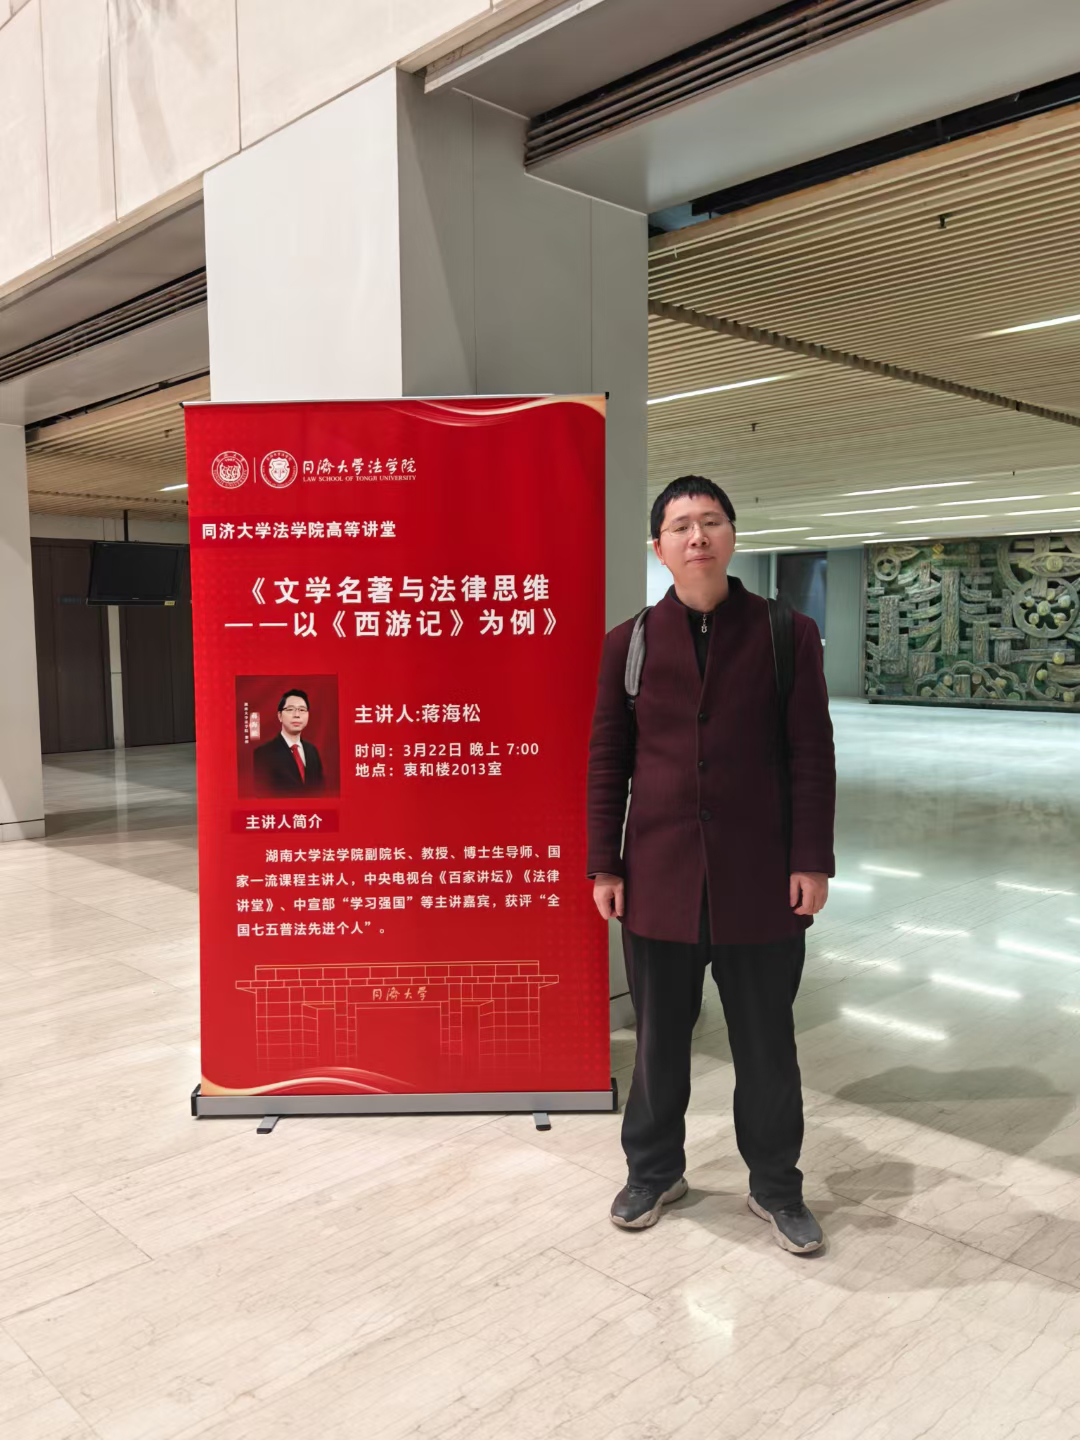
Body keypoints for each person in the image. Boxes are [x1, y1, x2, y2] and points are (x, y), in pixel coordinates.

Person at [586, 476, 836, 1253]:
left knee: (767, 1044)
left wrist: (812, 858)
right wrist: (604, 864)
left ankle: (776, 1185)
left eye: (711, 522)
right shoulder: (628, 643)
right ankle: (653, 1171)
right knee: (659, 1042)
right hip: (657, 877)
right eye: (680, 526)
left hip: (761, 879)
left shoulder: (785, 634)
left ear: (731, 535)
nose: (697, 536)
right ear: (658, 547)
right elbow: (608, 758)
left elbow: (811, 753)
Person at [253, 688, 325, 795]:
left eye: (302, 710)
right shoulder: (262, 754)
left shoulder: (312, 751)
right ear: (280, 716)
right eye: (290, 709)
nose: (297, 715)